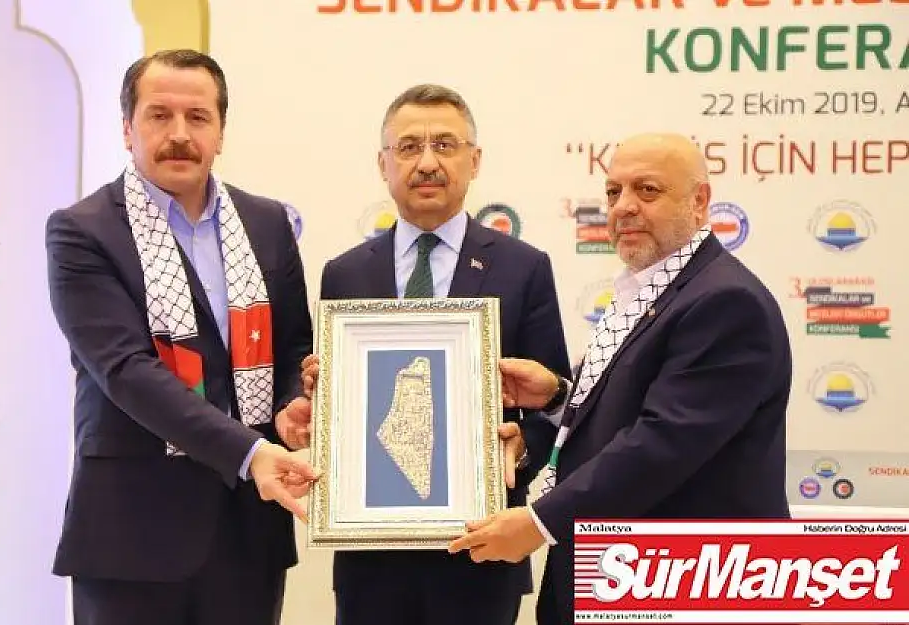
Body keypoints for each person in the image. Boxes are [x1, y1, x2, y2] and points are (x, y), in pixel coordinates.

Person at [447, 132, 793, 625]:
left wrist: (539, 522)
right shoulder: (653, 287)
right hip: (623, 579)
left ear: (699, 201)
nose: (624, 207)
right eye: (613, 192)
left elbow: (662, 443)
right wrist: (558, 398)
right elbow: (629, 409)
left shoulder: (725, 302)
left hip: (685, 587)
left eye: (647, 190)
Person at [44, 49, 318, 625]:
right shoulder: (82, 232)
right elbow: (126, 371)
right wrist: (250, 452)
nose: (179, 135)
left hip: (249, 534)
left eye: (197, 117)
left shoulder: (267, 225)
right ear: (127, 129)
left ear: (220, 132)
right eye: (159, 115)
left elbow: (293, 346)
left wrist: (294, 402)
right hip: (130, 537)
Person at [300, 84, 572, 625]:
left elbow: (556, 402)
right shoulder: (345, 272)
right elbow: (343, 410)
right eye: (408, 147)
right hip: (370, 558)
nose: (427, 163)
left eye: (445, 145)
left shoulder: (524, 267)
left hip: (482, 552)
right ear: (383, 164)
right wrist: (322, 397)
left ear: (475, 160)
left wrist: (520, 451)